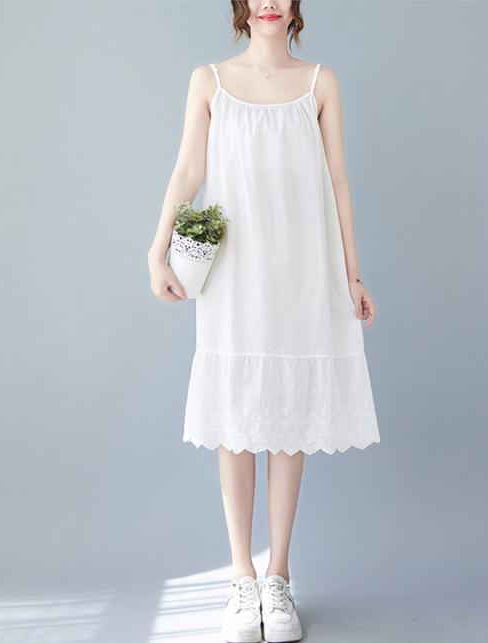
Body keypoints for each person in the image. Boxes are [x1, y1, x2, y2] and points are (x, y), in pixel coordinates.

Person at [147, 1, 380, 641]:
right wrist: (157, 250)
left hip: (302, 270)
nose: (270, 0)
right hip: (234, 274)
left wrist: (353, 274)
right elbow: (188, 170)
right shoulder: (210, 81)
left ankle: (278, 577)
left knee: (288, 420)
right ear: (242, 6)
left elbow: (338, 181)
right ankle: (240, 578)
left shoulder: (320, 82)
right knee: (236, 420)